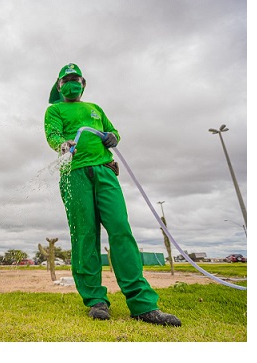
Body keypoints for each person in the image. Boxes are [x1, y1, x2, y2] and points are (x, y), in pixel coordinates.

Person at [44, 63, 181, 326]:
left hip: (106, 172)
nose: (72, 83)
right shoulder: (55, 110)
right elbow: (52, 135)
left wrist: (112, 137)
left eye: (76, 79)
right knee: (84, 235)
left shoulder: (96, 109)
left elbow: (114, 131)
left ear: (83, 83)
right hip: (74, 175)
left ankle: (142, 304)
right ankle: (96, 300)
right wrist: (62, 144)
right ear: (59, 86)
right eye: (66, 80)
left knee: (120, 229)